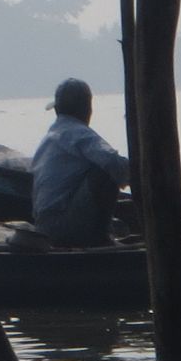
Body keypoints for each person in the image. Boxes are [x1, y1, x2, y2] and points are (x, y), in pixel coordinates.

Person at [29, 78, 130, 247]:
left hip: (43, 228)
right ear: (87, 109)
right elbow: (114, 163)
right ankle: (101, 239)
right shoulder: (78, 134)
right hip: (64, 227)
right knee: (104, 171)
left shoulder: (50, 138)